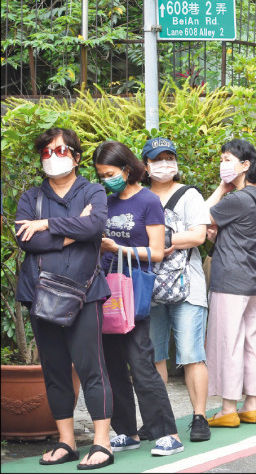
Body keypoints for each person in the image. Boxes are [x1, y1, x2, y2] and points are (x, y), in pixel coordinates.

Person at [15, 128, 114, 469]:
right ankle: (66, 442)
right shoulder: (31, 196)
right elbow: (27, 241)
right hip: (40, 294)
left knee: (91, 369)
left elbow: (96, 225)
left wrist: (45, 225)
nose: (52, 157)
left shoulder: (93, 190)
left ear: (75, 155)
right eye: (45, 152)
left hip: (84, 293)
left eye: (59, 150)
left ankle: (102, 442)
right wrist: (73, 230)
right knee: (54, 370)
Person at [93, 141, 184, 457]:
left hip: (133, 290)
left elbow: (157, 252)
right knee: (113, 365)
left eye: (110, 173)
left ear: (127, 169)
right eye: (101, 175)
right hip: (105, 292)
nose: (106, 179)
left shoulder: (148, 201)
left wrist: (118, 250)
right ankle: (126, 432)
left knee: (141, 363)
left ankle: (167, 433)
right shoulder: (106, 202)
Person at [140, 137, 211, 442]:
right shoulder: (140, 197)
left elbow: (199, 235)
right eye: (158, 159)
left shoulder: (189, 195)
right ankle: (158, 419)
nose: (165, 164)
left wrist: (164, 242)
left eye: (170, 157)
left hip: (187, 285)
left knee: (192, 354)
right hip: (149, 284)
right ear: (146, 165)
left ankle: (199, 417)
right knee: (153, 356)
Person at [204, 138, 256, 427]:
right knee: (251, 341)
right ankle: (251, 405)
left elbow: (199, 215)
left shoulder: (236, 199)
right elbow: (242, 235)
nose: (223, 164)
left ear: (246, 165)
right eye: (222, 159)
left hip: (229, 278)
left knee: (227, 342)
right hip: (253, 278)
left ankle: (227, 408)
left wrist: (221, 188)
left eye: (229, 159)